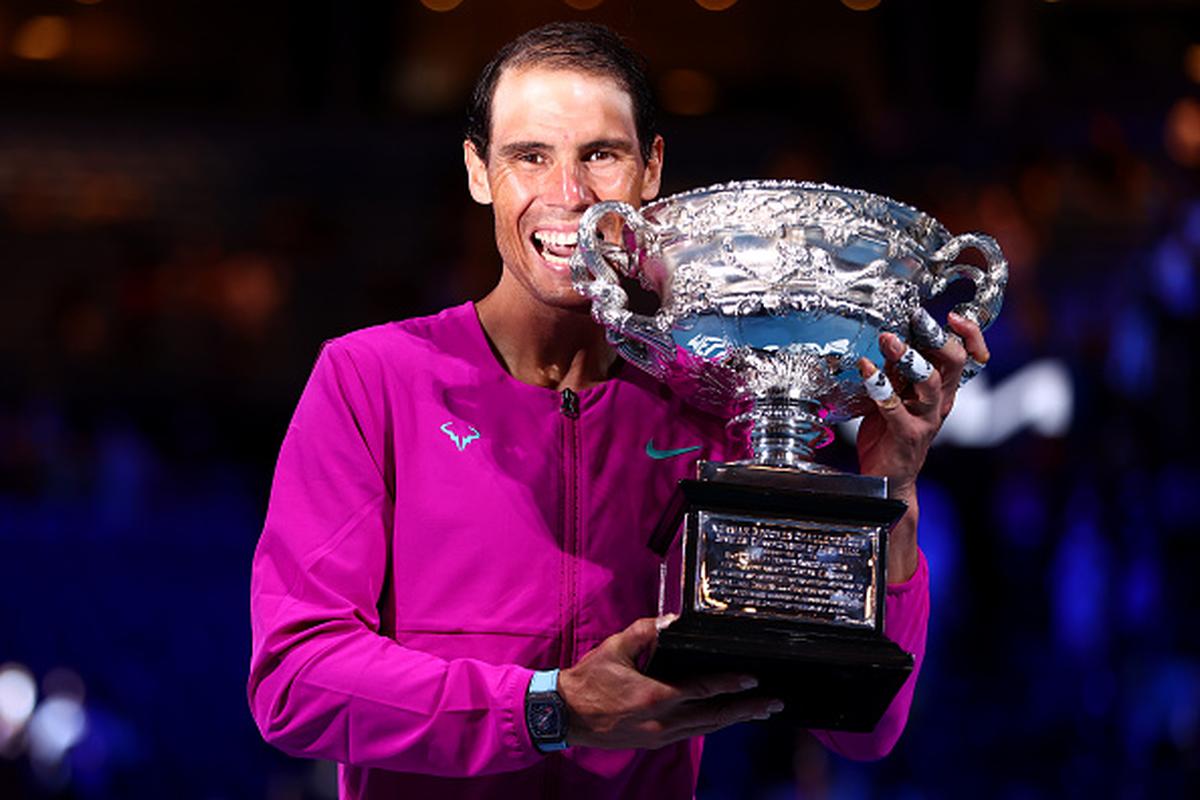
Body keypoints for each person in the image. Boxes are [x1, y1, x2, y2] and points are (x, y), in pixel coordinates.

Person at [247, 21, 991, 800]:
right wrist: (549, 709)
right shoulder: (372, 380)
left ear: (650, 172)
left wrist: (892, 493)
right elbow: (295, 682)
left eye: (600, 155)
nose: (568, 196)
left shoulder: (713, 405)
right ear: (477, 172)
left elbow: (861, 727)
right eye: (529, 156)